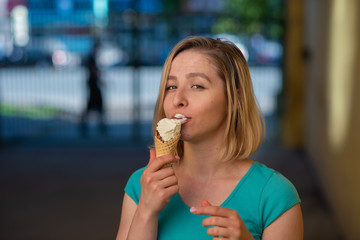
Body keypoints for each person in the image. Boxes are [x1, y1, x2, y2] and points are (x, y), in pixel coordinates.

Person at [116, 36, 303, 240]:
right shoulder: (141, 185)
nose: (177, 99)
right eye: (171, 87)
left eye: (197, 86)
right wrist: (145, 211)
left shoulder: (274, 194)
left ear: (235, 99)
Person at [79, 42, 106, 136]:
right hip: (93, 85)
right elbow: (94, 71)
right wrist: (100, 80)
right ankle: (85, 126)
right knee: (93, 106)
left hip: (93, 84)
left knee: (94, 107)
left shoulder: (92, 58)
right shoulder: (92, 59)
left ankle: (99, 126)